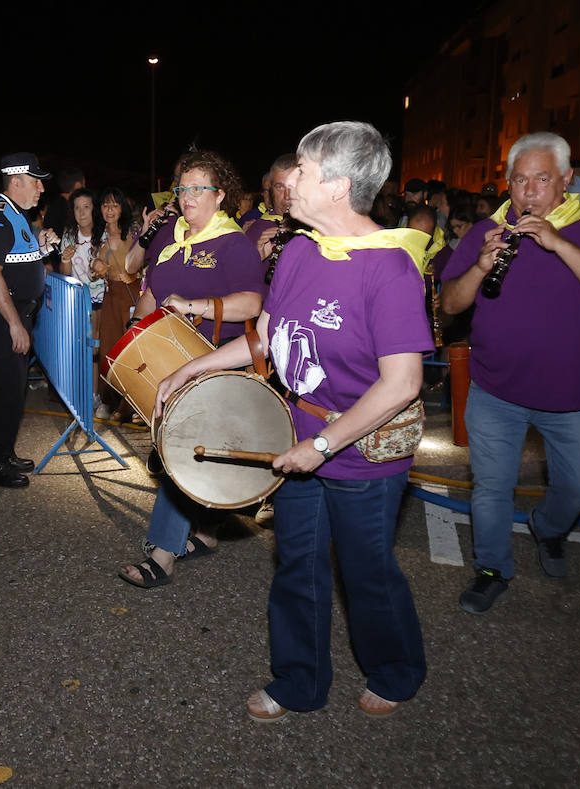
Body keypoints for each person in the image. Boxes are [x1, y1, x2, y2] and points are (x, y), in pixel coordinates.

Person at [154, 121, 431, 722]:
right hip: (302, 435)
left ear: (338, 185)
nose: (287, 183)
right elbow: (272, 339)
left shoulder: (389, 267)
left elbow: (403, 383)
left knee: (365, 570)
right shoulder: (302, 248)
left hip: (363, 448)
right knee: (297, 562)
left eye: (301, 171)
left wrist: (326, 444)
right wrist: (191, 370)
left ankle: (395, 669)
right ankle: (299, 681)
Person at [441, 131, 580, 614]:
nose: (528, 191)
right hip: (494, 387)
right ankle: (491, 568)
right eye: (519, 179)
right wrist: (480, 265)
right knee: (491, 488)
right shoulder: (488, 229)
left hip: (570, 393)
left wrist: (556, 242)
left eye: (542, 179)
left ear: (567, 180)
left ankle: (547, 527)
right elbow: (450, 304)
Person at [115, 149, 265, 588]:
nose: (188, 196)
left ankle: (162, 554)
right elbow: (152, 292)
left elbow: (251, 303)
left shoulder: (233, 242)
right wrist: (134, 329)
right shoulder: (170, 239)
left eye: (199, 188)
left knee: (179, 449)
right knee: (189, 451)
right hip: (170, 361)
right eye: (183, 188)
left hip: (217, 360)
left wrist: (194, 305)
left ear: (220, 196)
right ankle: (205, 532)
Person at [0, 152, 59, 488]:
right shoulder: (0, 217)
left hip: (18, 317)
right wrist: (13, 323)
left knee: (14, 391)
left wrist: (40, 248)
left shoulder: (17, 215)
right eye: (35, 181)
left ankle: (4, 451)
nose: (41, 189)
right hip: (4, 320)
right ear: (16, 181)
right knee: (5, 392)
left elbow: (15, 262)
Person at [93, 187, 139, 419]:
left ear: (123, 208)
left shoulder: (133, 233)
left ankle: (131, 405)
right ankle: (109, 402)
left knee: (130, 349)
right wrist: (97, 268)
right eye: (105, 205)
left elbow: (147, 262)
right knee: (108, 349)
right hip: (110, 297)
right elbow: (94, 268)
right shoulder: (97, 235)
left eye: (114, 205)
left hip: (131, 295)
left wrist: (133, 276)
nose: (109, 210)